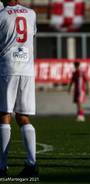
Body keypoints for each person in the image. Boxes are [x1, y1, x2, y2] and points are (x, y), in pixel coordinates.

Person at [0, 0, 38, 177]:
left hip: (8, 68)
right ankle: (32, 165)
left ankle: (2, 166)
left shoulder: (1, 15)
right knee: (23, 116)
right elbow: (32, 35)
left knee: (3, 114)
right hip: (27, 69)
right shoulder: (31, 13)